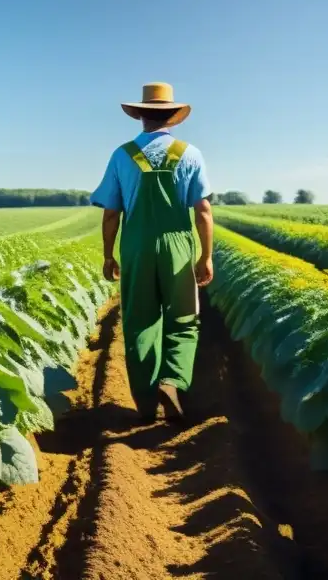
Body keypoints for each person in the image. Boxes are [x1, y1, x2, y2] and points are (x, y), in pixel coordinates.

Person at [90, 82, 214, 423]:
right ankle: (173, 381)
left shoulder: (121, 155)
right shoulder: (190, 154)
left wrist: (109, 254)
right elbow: (202, 209)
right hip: (177, 244)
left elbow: (111, 212)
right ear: (173, 117)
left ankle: (145, 404)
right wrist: (206, 256)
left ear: (140, 115)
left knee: (140, 322)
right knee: (184, 318)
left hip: (136, 245)